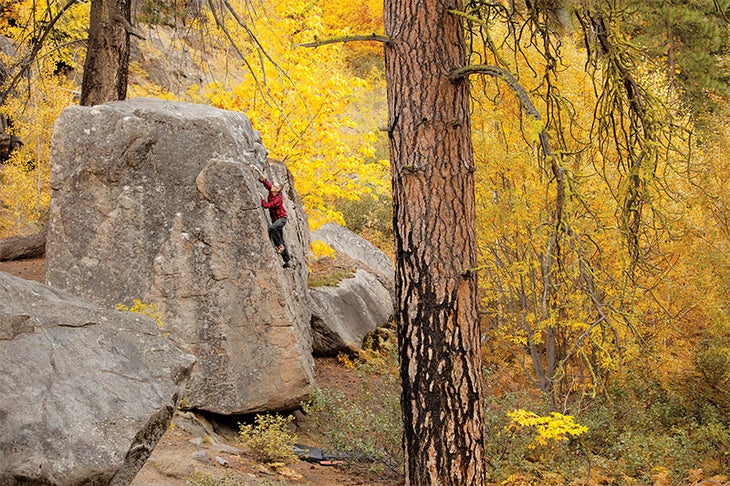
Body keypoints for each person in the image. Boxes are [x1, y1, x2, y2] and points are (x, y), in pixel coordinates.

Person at [250, 164, 292, 267]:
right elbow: (264, 180)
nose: (273, 186)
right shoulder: (271, 190)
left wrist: (261, 198)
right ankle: (286, 261)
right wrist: (257, 170)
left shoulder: (278, 199)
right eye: (274, 185)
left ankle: (280, 246)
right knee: (280, 238)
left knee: (273, 228)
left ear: (278, 190)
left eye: (276, 186)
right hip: (275, 219)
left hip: (281, 218)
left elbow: (267, 205)